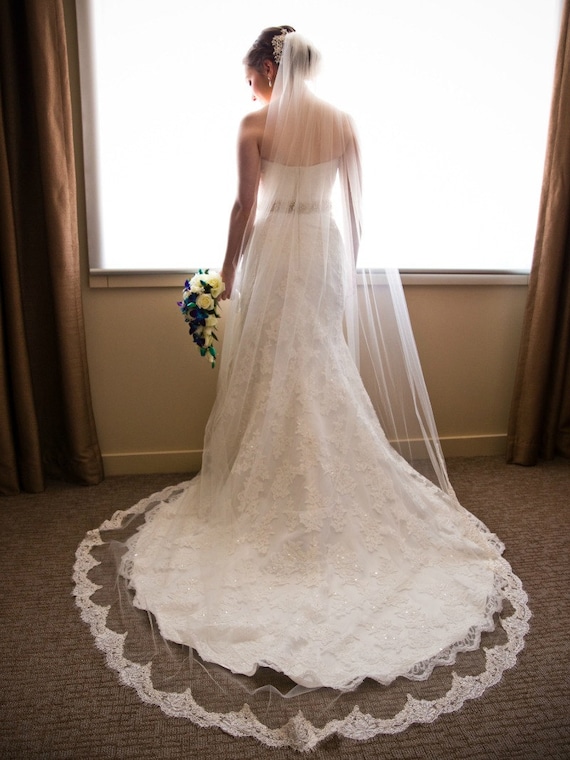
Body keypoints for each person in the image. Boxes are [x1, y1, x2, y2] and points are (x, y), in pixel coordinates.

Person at [74, 27, 530, 749]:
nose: (250, 86)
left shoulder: (256, 122)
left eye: (251, 72)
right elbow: (359, 212)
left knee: (278, 370)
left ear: (265, 67)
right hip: (321, 248)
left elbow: (243, 209)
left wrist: (223, 275)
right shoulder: (344, 123)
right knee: (318, 365)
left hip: (280, 247)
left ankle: (277, 493)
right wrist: (341, 269)